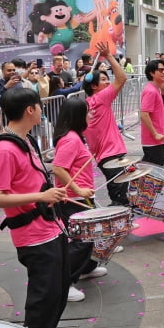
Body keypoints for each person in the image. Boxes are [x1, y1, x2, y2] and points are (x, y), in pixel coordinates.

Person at [0, 87, 73, 328]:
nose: (42, 109)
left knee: (59, 287)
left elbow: (35, 183)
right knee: (43, 293)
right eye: (39, 105)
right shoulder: (4, 149)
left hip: (50, 226)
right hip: (32, 235)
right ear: (30, 110)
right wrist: (40, 197)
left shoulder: (27, 141)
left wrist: (56, 193)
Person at [50, 97, 109, 286]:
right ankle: (64, 283)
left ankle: (86, 268)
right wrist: (77, 189)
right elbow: (58, 168)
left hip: (79, 196)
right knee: (81, 240)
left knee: (88, 236)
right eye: (87, 111)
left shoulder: (74, 137)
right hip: (72, 199)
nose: (91, 114)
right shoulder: (71, 139)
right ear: (77, 115)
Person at [82, 51, 129, 207]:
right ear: (94, 86)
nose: (108, 82)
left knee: (117, 190)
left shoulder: (85, 104)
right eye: (103, 80)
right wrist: (108, 56)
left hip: (104, 155)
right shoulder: (100, 98)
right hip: (112, 152)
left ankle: (120, 213)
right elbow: (122, 78)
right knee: (120, 194)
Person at [139, 59, 164, 165]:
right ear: (152, 73)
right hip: (153, 142)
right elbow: (144, 114)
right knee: (154, 173)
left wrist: (163, 129)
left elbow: (155, 116)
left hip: (159, 139)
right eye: (160, 70)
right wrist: (155, 133)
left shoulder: (155, 89)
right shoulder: (150, 91)